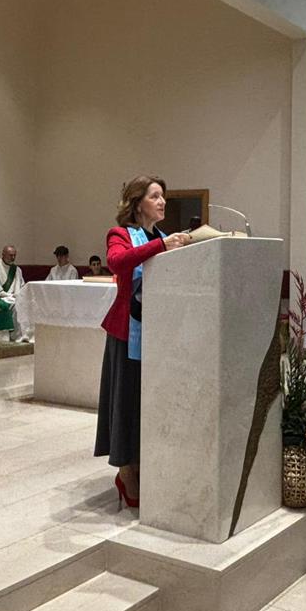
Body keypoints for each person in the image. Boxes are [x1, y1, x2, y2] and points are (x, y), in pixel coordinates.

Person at [95, 176, 190, 508]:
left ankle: (144, 463)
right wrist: (162, 247)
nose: (162, 202)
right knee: (126, 401)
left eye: (163, 196)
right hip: (128, 332)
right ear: (137, 204)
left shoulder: (163, 237)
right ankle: (126, 472)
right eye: (155, 196)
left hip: (159, 333)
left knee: (147, 403)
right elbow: (117, 262)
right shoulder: (121, 234)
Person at [0, 245, 28, 342]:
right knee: (17, 306)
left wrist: (20, 294)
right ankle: (16, 335)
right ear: (3, 254)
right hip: (2, 297)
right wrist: (11, 296)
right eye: (10, 255)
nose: (13, 258)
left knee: (27, 304)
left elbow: (22, 285)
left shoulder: (17, 269)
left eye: (14, 255)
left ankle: (26, 334)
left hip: (15, 297)